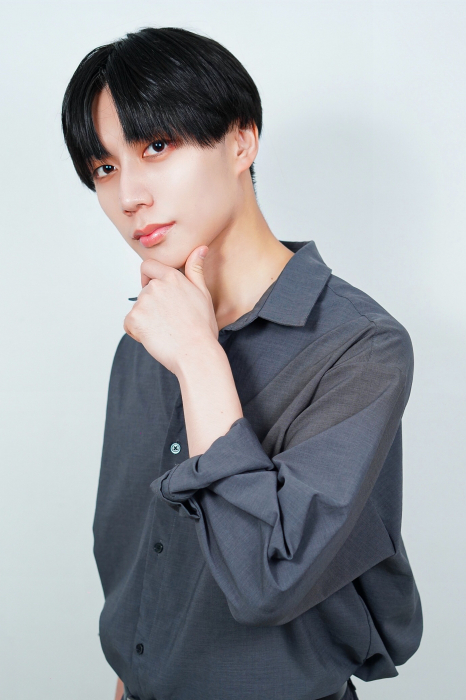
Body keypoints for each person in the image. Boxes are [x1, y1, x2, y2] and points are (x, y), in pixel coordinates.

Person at [61, 27, 423, 700]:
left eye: (156, 147)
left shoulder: (360, 346)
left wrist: (200, 357)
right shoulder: (144, 337)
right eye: (105, 167)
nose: (129, 195)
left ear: (241, 141)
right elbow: (139, 554)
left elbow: (266, 580)